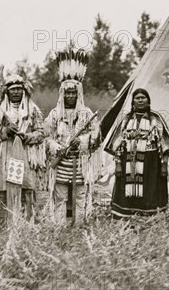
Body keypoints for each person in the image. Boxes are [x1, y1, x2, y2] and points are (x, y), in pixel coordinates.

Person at [44, 48, 101, 225]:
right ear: (62, 93)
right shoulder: (54, 114)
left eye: (73, 92)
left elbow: (96, 136)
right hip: (61, 163)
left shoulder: (86, 114)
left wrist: (82, 141)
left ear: (78, 93)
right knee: (60, 196)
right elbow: (47, 137)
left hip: (80, 163)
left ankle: (79, 226)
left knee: (80, 196)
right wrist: (57, 147)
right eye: (67, 92)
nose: (70, 95)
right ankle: (60, 226)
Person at [0, 62, 46, 228]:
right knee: (2, 187)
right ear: (7, 91)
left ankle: (25, 224)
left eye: (19, 88)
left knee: (25, 186)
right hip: (4, 155)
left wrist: (26, 136)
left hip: (24, 156)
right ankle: (1, 224)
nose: (16, 92)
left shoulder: (33, 110)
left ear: (24, 90)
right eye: (12, 89)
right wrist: (5, 132)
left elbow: (42, 133)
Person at [104, 88, 169, 219]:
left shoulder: (155, 119)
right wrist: (118, 164)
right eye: (137, 98)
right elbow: (116, 143)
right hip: (128, 160)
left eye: (143, 97)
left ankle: (149, 217)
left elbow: (165, 143)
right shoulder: (126, 119)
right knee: (127, 189)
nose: (140, 100)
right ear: (133, 102)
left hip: (151, 161)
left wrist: (164, 165)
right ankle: (127, 215)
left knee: (150, 188)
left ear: (149, 101)